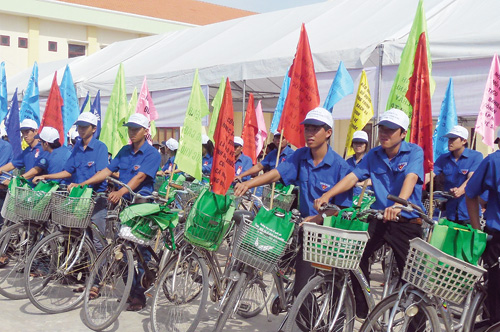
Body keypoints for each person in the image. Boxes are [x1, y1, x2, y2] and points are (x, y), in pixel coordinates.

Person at [314, 108, 425, 319]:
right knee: (355, 256)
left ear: (403, 133)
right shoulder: (373, 154)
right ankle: (362, 307)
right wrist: (328, 194)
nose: (384, 134)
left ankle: (416, 322)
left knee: (413, 278)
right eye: (382, 129)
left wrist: (400, 205)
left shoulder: (414, 152)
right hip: (381, 218)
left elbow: (411, 177)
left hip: (407, 222)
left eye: (391, 130)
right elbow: (353, 177)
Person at [234, 107, 352, 296]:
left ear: (328, 132)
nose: (309, 133)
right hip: (304, 228)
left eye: (315, 129)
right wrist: (248, 183)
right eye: (307, 128)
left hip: (327, 236)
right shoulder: (300, 155)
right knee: (294, 278)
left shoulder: (340, 167)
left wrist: (319, 217)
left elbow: (342, 208)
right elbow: (276, 173)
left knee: (318, 289)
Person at [71, 113, 161, 311]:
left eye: (136, 129)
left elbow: (139, 177)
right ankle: (131, 289)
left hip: (141, 206)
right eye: (130, 128)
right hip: (123, 206)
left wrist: (121, 191)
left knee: (140, 252)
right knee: (121, 248)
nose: (132, 132)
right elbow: (107, 171)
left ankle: (139, 293)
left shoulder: (152, 154)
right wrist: (83, 184)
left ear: (145, 131)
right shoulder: (124, 150)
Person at [33, 113, 109, 276]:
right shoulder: (77, 147)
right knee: (79, 237)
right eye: (79, 126)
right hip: (79, 198)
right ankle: (84, 275)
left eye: (84, 126)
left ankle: (99, 280)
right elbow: (68, 171)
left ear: (94, 129)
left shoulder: (100, 147)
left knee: (97, 241)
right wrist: (46, 176)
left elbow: (102, 172)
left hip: (97, 198)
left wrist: (82, 184)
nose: (81, 130)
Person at [466, 128, 500, 325]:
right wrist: (478, 229)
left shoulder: (492, 161)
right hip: (496, 239)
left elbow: (471, 193)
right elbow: (472, 192)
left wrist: (477, 227)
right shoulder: (494, 161)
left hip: (496, 238)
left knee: (495, 297)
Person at [429, 125, 483, 224]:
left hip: (469, 213)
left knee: (468, 239)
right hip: (450, 213)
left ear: (464, 141)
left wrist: (460, 190)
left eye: (453, 139)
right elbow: (430, 175)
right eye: (449, 139)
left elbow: (472, 178)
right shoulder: (443, 158)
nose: (450, 142)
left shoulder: (476, 156)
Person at [346, 130, 372, 197]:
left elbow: (374, 180)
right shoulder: (348, 162)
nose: (358, 145)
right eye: (355, 143)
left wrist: (358, 184)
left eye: (361, 143)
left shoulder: (371, 161)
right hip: (349, 198)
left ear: (365, 145)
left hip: (365, 199)